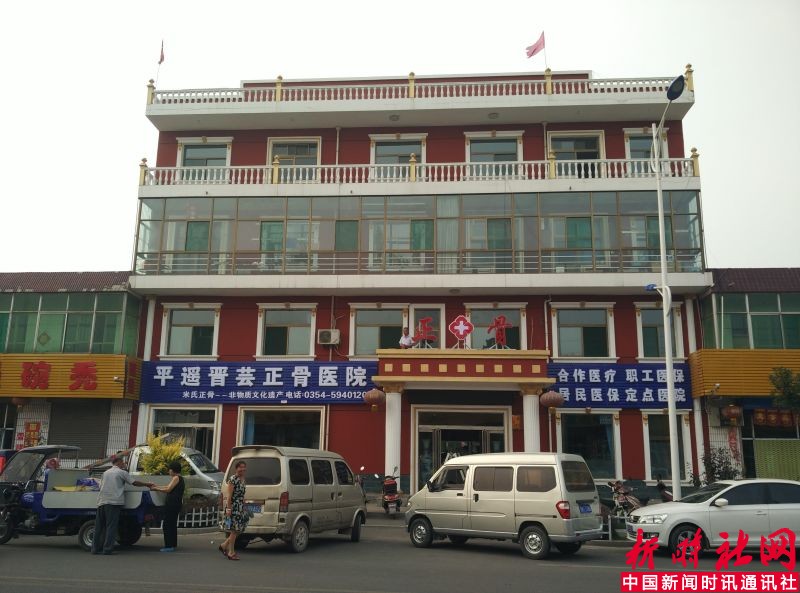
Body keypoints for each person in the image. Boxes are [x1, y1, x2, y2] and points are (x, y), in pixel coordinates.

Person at [92, 455, 153, 555]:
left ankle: (95, 549)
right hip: (113, 502)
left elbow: (100, 485)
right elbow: (134, 483)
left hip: (101, 501)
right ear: (119, 462)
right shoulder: (122, 472)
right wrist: (147, 484)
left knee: (99, 526)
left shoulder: (105, 473)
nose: (124, 464)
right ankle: (107, 549)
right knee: (111, 526)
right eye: (123, 462)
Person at [150, 460, 185, 552]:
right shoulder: (179, 478)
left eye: (169, 470)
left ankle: (168, 545)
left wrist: (156, 488)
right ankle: (172, 544)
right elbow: (167, 487)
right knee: (172, 524)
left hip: (172, 504)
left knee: (167, 524)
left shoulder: (176, 478)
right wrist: (156, 487)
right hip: (176, 504)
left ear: (173, 470)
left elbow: (168, 490)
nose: (169, 471)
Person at [218, 460, 247, 561]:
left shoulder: (243, 479)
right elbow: (229, 496)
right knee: (234, 530)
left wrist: (244, 506)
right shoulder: (232, 479)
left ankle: (224, 545)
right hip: (233, 507)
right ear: (236, 468)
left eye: (244, 467)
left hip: (240, 508)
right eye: (240, 467)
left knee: (238, 530)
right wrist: (229, 509)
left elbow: (242, 495)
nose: (242, 469)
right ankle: (231, 552)